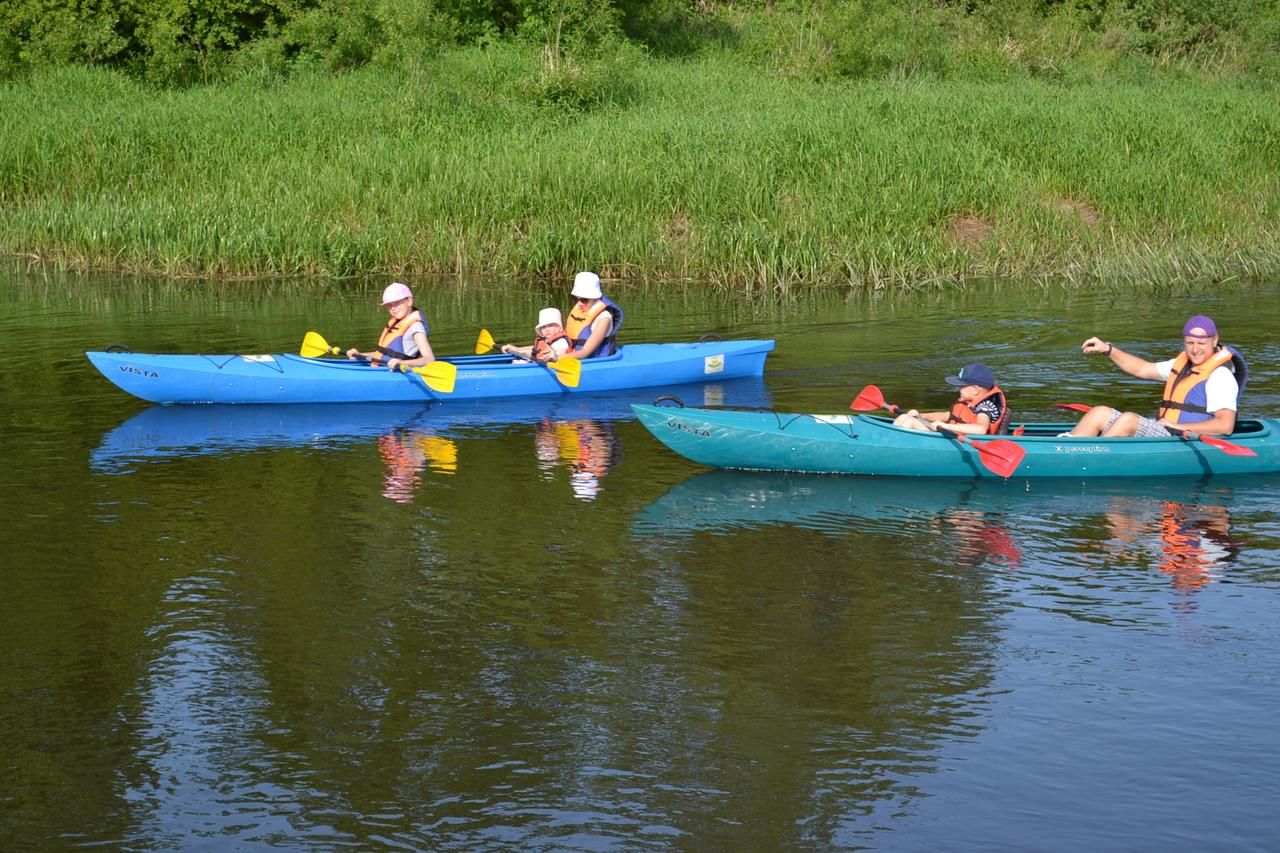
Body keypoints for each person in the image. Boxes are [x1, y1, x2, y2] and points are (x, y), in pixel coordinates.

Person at [1064, 315, 1247, 438]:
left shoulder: (1220, 377)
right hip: (1165, 429)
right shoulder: (1183, 365)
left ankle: (1088, 458)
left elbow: (1225, 426)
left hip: (1182, 437)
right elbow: (1143, 369)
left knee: (1129, 419)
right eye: (1190, 343)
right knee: (1099, 412)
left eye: (1201, 343)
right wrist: (1108, 349)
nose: (1195, 349)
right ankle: (1063, 449)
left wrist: (1180, 428)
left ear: (1215, 340)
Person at [891, 363, 1010, 435]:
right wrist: (922, 415)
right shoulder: (969, 402)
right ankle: (890, 443)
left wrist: (947, 426)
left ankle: (891, 447)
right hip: (951, 437)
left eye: (962, 386)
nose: (959, 388)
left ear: (975, 389)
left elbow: (981, 429)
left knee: (910, 422)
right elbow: (949, 416)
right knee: (904, 417)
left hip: (961, 442)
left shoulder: (985, 407)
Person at [346, 282, 435, 371]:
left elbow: (429, 359)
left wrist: (401, 363)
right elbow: (383, 355)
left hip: (399, 371)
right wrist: (359, 355)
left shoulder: (416, 327)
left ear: (409, 301)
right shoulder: (396, 323)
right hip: (382, 368)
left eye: (397, 303)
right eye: (389, 305)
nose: (393, 308)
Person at [561, 271, 624, 359]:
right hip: (572, 355)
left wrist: (557, 358)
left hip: (595, 361)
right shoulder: (581, 308)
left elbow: (585, 352)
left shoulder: (604, 319)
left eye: (584, 300)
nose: (579, 304)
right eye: (575, 298)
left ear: (595, 297)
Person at [501, 307, 572, 362]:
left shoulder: (561, 342)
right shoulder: (547, 339)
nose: (547, 329)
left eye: (551, 325)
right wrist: (517, 349)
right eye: (543, 327)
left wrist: (555, 357)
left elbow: (561, 354)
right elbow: (536, 349)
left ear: (559, 328)